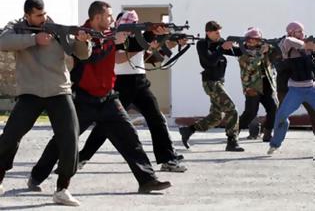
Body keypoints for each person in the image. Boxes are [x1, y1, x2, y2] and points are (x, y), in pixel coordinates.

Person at [29, 1, 171, 195]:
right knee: (63, 140)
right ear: (97, 18)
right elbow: (90, 57)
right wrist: (112, 40)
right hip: (83, 99)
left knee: (130, 138)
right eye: (109, 16)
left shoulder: (111, 33)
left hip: (108, 98)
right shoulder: (80, 35)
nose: (112, 20)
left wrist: (154, 33)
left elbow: (135, 45)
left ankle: (147, 180)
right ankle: (37, 175)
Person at [0, 0, 91, 206]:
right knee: (10, 137)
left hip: (59, 91)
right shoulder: (16, 27)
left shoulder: (57, 29)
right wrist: (34, 39)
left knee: (70, 140)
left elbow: (82, 55)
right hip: (30, 94)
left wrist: (82, 41)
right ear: (27, 15)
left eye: (44, 14)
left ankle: (62, 189)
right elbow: (3, 42)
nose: (43, 18)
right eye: (38, 15)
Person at [78, 10, 187, 172]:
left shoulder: (138, 37)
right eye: (130, 23)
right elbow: (118, 58)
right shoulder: (113, 36)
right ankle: (81, 158)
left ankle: (168, 159)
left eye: (135, 23)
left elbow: (150, 57)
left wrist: (167, 42)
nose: (133, 26)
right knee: (105, 125)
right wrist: (144, 44)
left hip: (140, 81)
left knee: (156, 119)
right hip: (122, 82)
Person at [179, 21, 244, 152]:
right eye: (216, 32)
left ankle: (188, 130)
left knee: (216, 117)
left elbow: (238, 53)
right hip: (211, 83)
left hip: (219, 82)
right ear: (208, 32)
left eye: (220, 31)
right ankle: (232, 141)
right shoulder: (202, 44)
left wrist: (246, 45)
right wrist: (222, 48)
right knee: (232, 110)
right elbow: (209, 62)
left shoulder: (220, 43)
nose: (219, 34)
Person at [268, 21, 315, 154]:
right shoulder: (286, 43)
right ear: (291, 32)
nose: (302, 33)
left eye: (302, 31)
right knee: (281, 116)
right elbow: (291, 42)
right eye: (298, 31)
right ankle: (275, 144)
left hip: (311, 88)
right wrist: (308, 46)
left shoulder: (308, 48)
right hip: (295, 90)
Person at [237, 28, 278, 142]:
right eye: (252, 39)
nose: (254, 42)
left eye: (257, 39)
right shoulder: (243, 53)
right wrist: (260, 54)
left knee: (273, 108)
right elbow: (250, 67)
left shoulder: (263, 49)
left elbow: (277, 53)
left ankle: (267, 133)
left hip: (266, 85)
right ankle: (234, 131)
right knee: (250, 113)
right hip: (252, 87)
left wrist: (269, 47)